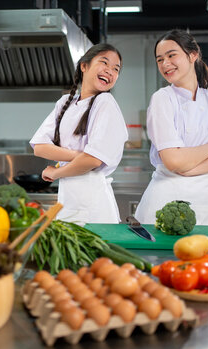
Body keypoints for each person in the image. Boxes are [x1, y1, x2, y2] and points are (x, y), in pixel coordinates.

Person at [135, 29, 208, 225]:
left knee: (200, 254)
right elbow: (173, 161)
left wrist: (190, 171)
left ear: (192, 55)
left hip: (204, 199)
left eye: (171, 55)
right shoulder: (162, 98)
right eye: (159, 59)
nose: (165, 64)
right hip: (164, 198)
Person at [30, 43, 127, 225]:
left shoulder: (105, 102)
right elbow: (40, 147)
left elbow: (93, 161)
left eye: (116, 69)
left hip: (94, 203)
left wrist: (57, 173)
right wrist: (80, 156)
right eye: (104, 63)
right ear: (84, 66)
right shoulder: (65, 102)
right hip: (68, 198)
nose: (110, 71)